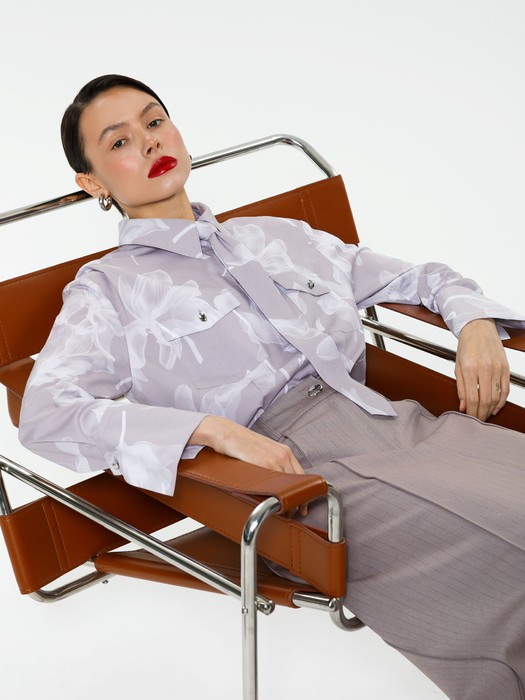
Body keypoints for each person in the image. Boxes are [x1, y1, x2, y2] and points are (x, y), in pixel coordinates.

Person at [19, 74, 525, 700]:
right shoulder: (109, 291)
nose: (149, 143)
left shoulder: (277, 237)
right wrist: (208, 431)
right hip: (293, 481)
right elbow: (46, 415)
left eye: (154, 121)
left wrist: (473, 323)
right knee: (501, 558)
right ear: (93, 183)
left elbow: (420, 277)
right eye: (119, 141)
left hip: (399, 424)